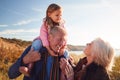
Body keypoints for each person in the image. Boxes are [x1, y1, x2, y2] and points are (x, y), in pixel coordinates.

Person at [20, 3, 68, 76]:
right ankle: (29, 67)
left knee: (65, 53)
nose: (59, 17)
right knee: (37, 44)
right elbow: (43, 37)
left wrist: (64, 46)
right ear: (49, 14)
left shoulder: (62, 25)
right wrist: (48, 49)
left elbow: (65, 36)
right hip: (44, 41)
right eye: (57, 15)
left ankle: (64, 73)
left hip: (55, 43)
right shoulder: (45, 24)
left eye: (60, 15)